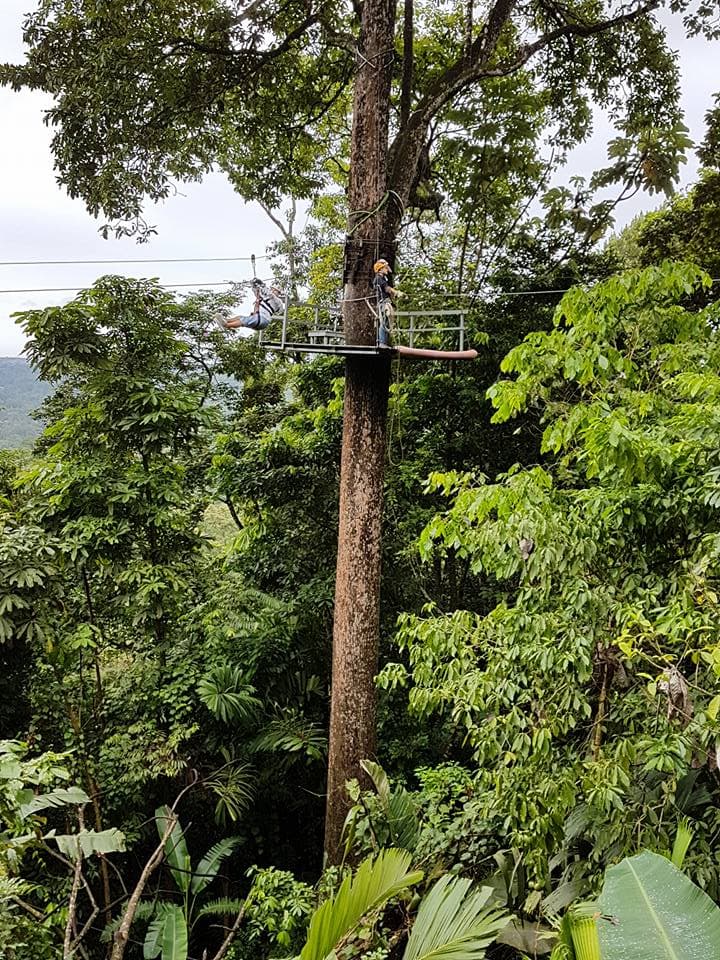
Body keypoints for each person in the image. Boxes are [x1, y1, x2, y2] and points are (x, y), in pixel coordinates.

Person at [214, 279, 284, 332]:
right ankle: (226, 321)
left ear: (278, 293)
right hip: (260, 320)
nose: (272, 291)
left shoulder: (278, 302)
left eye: (274, 290)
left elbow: (271, 296)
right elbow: (258, 293)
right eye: (272, 289)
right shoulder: (265, 299)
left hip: (262, 319)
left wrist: (262, 285)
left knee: (243, 320)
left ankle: (226, 325)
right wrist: (254, 285)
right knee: (240, 317)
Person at [372, 259, 403, 346]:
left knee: (387, 320)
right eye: (385, 268)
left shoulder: (382, 278)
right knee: (384, 321)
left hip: (385, 302)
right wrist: (396, 292)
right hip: (383, 302)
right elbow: (387, 289)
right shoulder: (378, 279)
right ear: (380, 269)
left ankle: (384, 342)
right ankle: (382, 342)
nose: (386, 269)